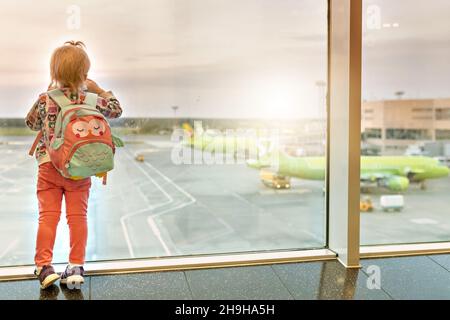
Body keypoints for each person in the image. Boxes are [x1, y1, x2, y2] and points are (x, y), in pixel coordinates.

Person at [25, 41, 122, 289]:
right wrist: (99, 89)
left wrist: (48, 94)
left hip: (49, 166)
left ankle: (44, 266)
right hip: (79, 169)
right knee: (78, 217)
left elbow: (31, 123)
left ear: (53, 73)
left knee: (48, 217)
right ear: (85, 74)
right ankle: (76, 266)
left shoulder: (46, 99)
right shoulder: (90, 99)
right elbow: (116, 110)